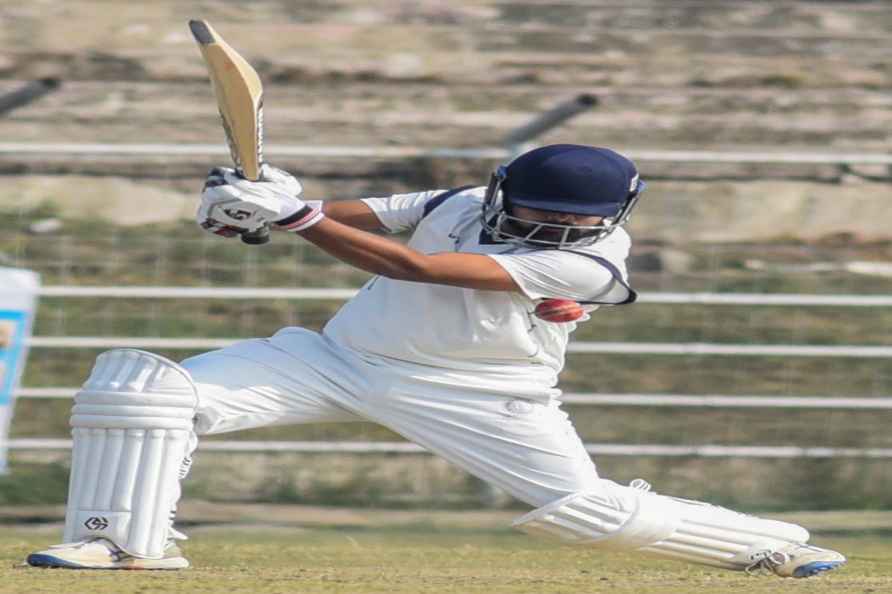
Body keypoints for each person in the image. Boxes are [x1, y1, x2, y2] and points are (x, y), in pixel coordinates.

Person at [27, 144, 844, 578]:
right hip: (339, 358)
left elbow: (407, 266)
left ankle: (768, 543)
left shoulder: (591, 267)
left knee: (588, 516)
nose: (554, 230)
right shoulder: (453, 202)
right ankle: (121, 543)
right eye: (537, 213)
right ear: (498, 193)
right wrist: (254, 207)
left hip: (481, 393)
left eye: (573, 219)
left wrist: (299, 214)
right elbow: (359, 217)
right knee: (142, 391)